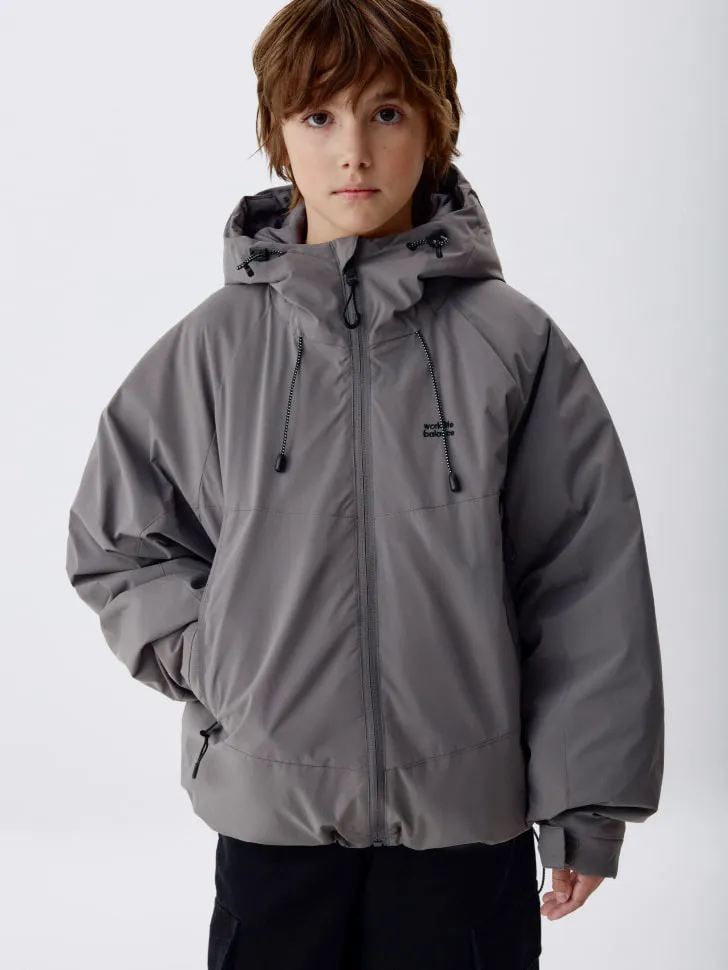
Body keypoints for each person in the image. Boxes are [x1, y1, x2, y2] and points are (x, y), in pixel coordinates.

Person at [64, 1, 665, 967]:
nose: (353, 151)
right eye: (319, 116)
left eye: (387, 113)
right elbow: (118, 545)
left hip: (466, 828)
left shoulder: (513, 343)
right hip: (273, 820)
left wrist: (584, 802)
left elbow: (582, 576)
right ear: (278, 137)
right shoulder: (214, 348)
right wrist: (221, 661)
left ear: (435, 127)